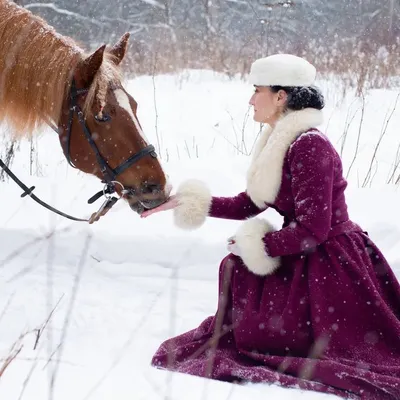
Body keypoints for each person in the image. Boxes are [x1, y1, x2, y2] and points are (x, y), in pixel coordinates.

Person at [142, 54, 400, 399]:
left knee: (250, 285)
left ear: (282, 96)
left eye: (257, 90)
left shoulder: (309, 146)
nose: (250, 99)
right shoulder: (279, 140)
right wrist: (186, 202)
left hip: (332, 260)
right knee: (237, 270)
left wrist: (259, 246)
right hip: (305, 246)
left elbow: (314, 228)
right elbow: (249, 203)